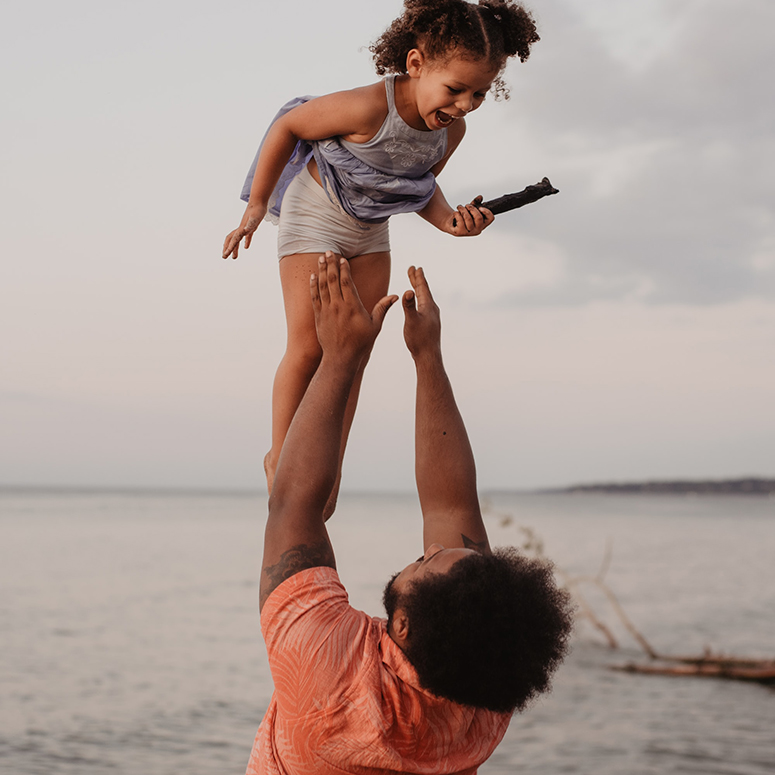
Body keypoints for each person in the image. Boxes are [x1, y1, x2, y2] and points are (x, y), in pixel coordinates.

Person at [246, 253, 573, 775]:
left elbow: (293, 503)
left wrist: (342, 357)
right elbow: (450, 503)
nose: (436, 546)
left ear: (402, 626)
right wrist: (427, 358)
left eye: (427, 561)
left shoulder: (328, 678)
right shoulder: (485, 684)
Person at [222, 0, 541, 514]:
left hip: (371, 228)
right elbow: (289, 126)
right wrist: (257, 204)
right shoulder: (370, 106)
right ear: (416, 64)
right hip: (317, 211)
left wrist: (452, 222)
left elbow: (418, 188)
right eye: (455, 88)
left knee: (354, 350)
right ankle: (281, 458)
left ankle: (326, 468)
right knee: (310, 345)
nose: (465, 104)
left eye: (479, 93)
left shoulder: (450, 132)